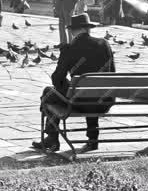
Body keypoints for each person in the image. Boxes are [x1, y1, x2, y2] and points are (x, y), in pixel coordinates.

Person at [32, 13, 116, 153]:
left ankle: (52, 137)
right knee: (93, 92)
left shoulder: (69, 49)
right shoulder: (104, 44)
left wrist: (70, 87)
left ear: (71, 31)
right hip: (104, 101)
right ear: (88, 29)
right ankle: (92, 140)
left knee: (48, 92)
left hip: (80, 102)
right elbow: (111, 74)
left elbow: (57, 78)